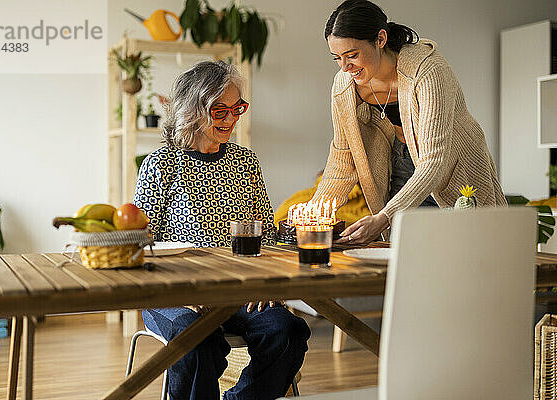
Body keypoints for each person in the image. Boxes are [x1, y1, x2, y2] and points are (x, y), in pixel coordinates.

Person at [133, 60, 310, 400]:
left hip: (240, 289)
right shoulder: (161, 164)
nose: (231, 119)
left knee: (286, 331)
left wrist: (266, 280)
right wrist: (180, 292)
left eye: (237, 108)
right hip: (175, 293)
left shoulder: (246, 162)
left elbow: (266, 237)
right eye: (220, 110)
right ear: (193, 110)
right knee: (196, 339)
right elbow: (143, 246)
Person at [312, 0, 507, 245]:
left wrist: (384, 217)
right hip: (401, 165)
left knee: (464, 252)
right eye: (337, 58)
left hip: (452, 169)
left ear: (380, 39)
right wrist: (312, 219)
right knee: (405, 254)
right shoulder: (344, 86)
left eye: (352, 55)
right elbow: (342, 160)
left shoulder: (428, 71)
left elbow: (434, 161)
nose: (344, 66)